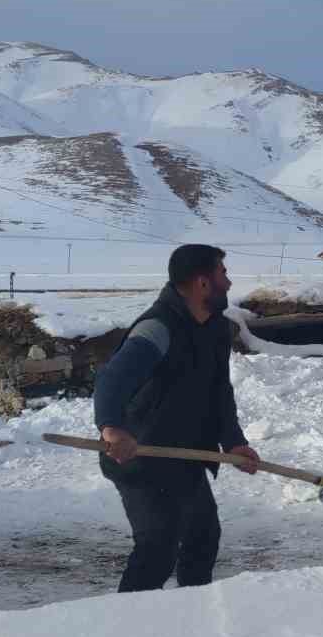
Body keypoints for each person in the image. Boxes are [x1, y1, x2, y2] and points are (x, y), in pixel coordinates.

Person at [93, 244, 261, 592]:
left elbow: (218, 392)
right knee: (158, 545)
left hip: (185, 455)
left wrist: (234, 442)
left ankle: (191, 618)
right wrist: (111, 430)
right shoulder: (159, 328)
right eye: (223, 274)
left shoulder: (215, 329)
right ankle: (124, 627)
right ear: (202, 283)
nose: (229, 283)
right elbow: (112, 379)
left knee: (203, 538)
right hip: (139, 455)